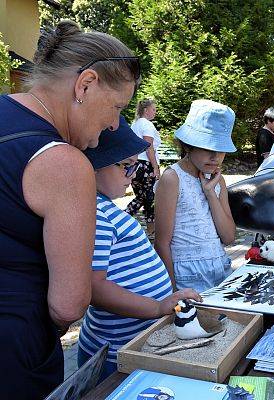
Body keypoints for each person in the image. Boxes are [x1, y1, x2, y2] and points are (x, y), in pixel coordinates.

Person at [0, 20, 139, 398]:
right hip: (13, 354)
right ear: (86, 84)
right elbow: (68, 305)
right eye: (117, 108)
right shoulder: (65, 162)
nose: (114, 125)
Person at [79, 117, 202, 382]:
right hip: (116, 353)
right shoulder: (96, 214)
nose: (133, 175)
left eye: (135, 166)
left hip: (131, 342)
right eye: (126, 166)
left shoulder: (105, 208)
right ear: (92, 166)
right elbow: (94, 287)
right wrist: (157, 307)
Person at [155, 100, 237, 292]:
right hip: (186, 277)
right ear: (189, 145)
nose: (215, 157)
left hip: (220, 269)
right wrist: (172, 291)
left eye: (221, 150)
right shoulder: (172, 178)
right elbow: (162, 242)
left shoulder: (218, 180)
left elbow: (229, 236)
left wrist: (210, 193)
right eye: (208, 148)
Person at [126, 99, 161, 237]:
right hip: (146, 165)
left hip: (134, 165)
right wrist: (155, 167)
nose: (155, 112)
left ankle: (151, 230)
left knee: (145, 197)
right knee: (146, 197)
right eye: (154, 109)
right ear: (146, 110)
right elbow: (148, 147)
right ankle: (122, 217)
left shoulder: (135, 124)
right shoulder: (147, 125)